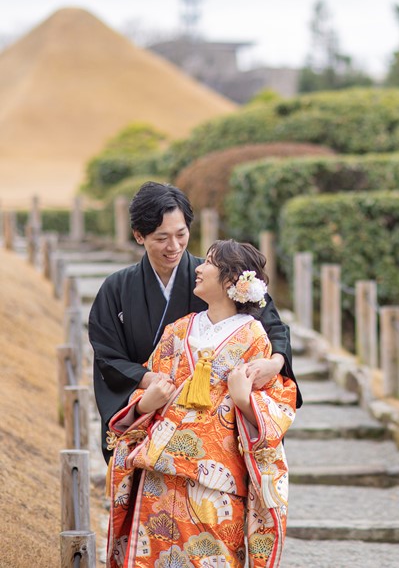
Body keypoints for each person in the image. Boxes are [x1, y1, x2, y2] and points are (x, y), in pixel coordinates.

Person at [106, 239, 297, 567]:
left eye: (208, 262)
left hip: (216, 478)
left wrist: (244, 402)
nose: (198, 268)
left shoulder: (255, 339)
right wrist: (143, 404)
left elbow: (278, 405)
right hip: (159, 472)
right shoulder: (178, 331)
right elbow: (149, 388)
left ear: (231, 280)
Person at [89, 182, 301, 463]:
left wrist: (273, 363)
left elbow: (273, 325)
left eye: (181, 234)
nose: (174, 246)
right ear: (139, 236)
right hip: (153, 419)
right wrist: (150, 382)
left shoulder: (217, 278)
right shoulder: (116, 289)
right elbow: (107, 356)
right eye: (162, 237)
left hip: (218, 435)